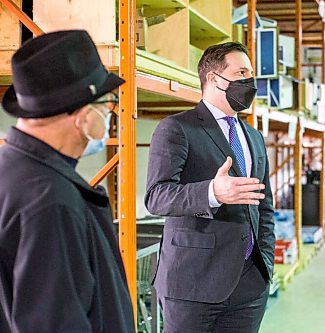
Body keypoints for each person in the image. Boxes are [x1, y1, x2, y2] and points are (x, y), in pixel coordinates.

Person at [0, 30, 134, 332]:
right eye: (108, 104)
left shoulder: (12, 171)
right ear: (83, 117)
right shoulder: (50, 202)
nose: (111, 115)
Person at [145, 42, 275, 333]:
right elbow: (156, 196)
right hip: (193, 284)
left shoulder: (253, 137)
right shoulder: (177, 128)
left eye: (251, 74)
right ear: (214, 79)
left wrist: (265, 260)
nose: (249, 81)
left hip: (248, 284)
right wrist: (213, 193)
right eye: (241, 72)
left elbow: (264, 205)